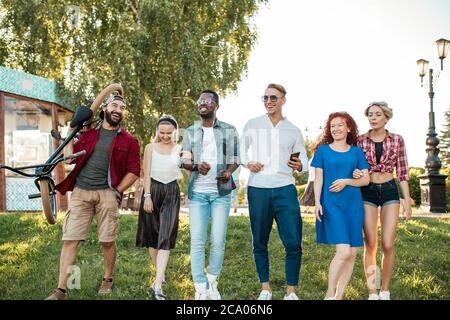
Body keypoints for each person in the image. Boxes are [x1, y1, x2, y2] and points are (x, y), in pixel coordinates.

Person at [46, 95, 141, 300]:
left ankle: (107, 279)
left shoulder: (130, 141)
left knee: (107, 240)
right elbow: (69, 158)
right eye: (114, 105)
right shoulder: (87, 134)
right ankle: (61, 289)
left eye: (122, 107)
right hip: (81, 192)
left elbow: (134, 171)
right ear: (105, 108)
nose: (118, 109)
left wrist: (117, 191)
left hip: (107, 193)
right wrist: (72, 129)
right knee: (70, 239)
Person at [240, 83, 308, 300]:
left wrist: (299, 166)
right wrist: (248, 162)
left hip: (285, 189)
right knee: (259, 241)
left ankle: (291, 292)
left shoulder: (294, 130)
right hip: (258, 189)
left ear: (283, 100)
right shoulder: (252, 124)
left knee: (293, 242)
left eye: (273, 98)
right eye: (265, 98)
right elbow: (239, 151)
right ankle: (265, 289)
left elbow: (304, 161)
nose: (268, 102)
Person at [181, 89, 240, 300]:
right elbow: (184, 160)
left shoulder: (229, 130)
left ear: (216, 105)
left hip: (220, 194)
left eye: (207, 100)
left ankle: (212, 283)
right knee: (197, 240)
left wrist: (227, 172)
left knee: (218, 240)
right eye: (199, 101)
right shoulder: (190, 131)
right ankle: (200, 288)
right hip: (198, 194)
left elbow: (235, 158)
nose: (202, 103)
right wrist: (196, 166)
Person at [353, 101, 412, 300]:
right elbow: (354, 166)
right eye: (370, 114)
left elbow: (403, 172)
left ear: (386, 117)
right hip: (367, 191)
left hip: (389, 191)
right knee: (370, 243)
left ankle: (384, 290)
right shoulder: (360, 141)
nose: (373, 117)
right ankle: (372, 291)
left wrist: (407, 201)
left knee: (387, 243)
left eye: (378, 114)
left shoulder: (397, 140)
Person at [312, 112, 370, 300]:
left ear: (348, 128)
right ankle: (329, 294)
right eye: (332, 126)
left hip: (353, 205)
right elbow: (318, 178)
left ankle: (339, 296)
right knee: (343, 251)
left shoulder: (356, 152)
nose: (335, 129)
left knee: (352, 253)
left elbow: (365, 180)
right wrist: (318, 202)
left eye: (339, 125)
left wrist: (347, 181)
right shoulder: (322, 150)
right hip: (331, 203)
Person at [136, 115, 182, 300]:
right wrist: (147, 195)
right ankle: (160, 275)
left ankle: (157, 286)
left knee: (166, 236)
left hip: (172, 191)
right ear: (157, 132)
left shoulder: (180, 149)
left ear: (175, 132)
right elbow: (146, 173)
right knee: (151, 236)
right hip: (152, 190)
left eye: (168, 133)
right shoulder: (150, 148)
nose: (165, 136)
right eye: (161, 133)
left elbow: (187, 167)